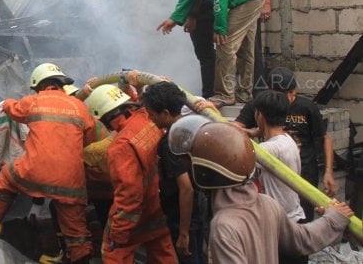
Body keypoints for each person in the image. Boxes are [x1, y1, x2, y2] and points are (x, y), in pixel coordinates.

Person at [167, 119, 354, 264]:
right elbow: (302, 240)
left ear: (204, 173)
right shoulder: (267, 203)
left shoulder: (223, 225)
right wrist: (333, 218)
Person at [0, 63, 98, 263]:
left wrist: (7, 102)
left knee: (5, 179)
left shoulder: (33, 101)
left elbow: (14, 109)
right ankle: (79, 255)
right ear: (61, 84)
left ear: (39, 86)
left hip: (33, 173)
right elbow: (90, 142)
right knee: (75, 227)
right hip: (71, 182)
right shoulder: (80, 107)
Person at [85, 84, 176, 264]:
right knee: (163, 253)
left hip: (135, 215)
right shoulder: (147, 117)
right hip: (160, 206)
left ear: (106, 118)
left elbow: (130, 195)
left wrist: (118, 232)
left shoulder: (120, 146)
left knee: (114, 254)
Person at [232, 67, 338, 220]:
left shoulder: (306, 108)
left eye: (292, 93)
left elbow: (324, 137)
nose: (289, 98)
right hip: (275, 176)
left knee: (302, 216)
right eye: (284, 94)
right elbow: (237, 127)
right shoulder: (262, 106)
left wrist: (328, 171)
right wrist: (255, 131)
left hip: (304, 173)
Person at [142, 81, 208, 264]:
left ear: (165, 113)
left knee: (189, 257)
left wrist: (183, 233)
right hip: (200, 209)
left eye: (152, 115)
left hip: (183, 216)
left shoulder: (171, 141)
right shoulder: (193, 127)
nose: (150, 119)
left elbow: (186, 188)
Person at [253, 89, 307, 263]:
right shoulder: (287, 140)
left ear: (259, 115)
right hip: (293, 220)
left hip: (282, 229)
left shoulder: (271, 149)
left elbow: (239, 152)